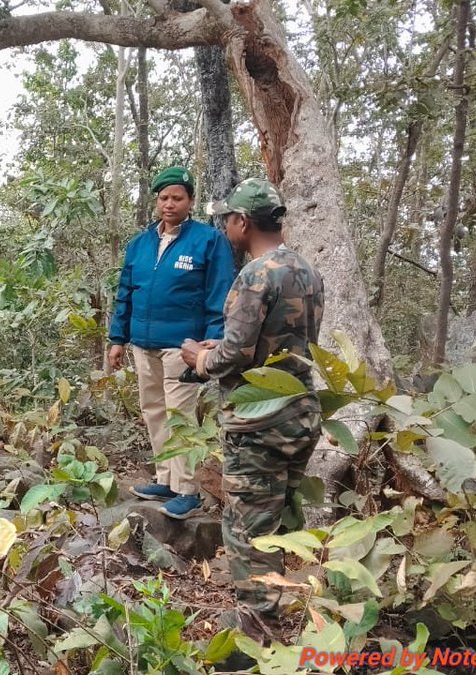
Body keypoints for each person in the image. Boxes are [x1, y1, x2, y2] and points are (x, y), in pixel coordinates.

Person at [180, 178, 325, 640]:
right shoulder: (306, 270)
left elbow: (236, 356)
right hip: (300, 413)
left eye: (228, 220)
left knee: (245, 529)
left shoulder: (256, 274)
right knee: (275, 517)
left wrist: (201, 359)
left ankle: (255, 630)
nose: (225, 229)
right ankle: (272, 607)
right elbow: (280, 342)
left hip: (258, 421)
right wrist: (224, 343)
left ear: (242, 222)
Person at [108, 166, 236, 519]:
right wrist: (117, 337)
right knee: (154, 410)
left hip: (184, 346)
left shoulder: (208, 240)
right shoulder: (141, 244)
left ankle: (187, 490)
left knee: (180, 414)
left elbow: (220, 291)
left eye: (177, 197)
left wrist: (214, 338)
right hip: (142, 342)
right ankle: (166, 478)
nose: (169, 204)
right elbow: (125, 293)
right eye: (164, 197)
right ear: (156, 201)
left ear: (190, 201)